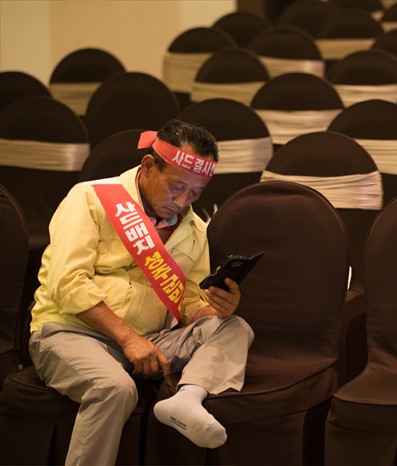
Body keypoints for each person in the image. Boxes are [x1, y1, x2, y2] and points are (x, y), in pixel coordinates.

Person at [28, 119, 254, 465]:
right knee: (114, 388)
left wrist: (215, 309)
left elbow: (186, 300)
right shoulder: (90, 198)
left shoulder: (194, 229)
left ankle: (186, 399)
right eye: (176, 186)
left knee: (235, 327)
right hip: (71, 333)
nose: (183, 201)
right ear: (148, 165)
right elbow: (67, 282)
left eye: (196, 193)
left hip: (151, 341)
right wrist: (128, 338)